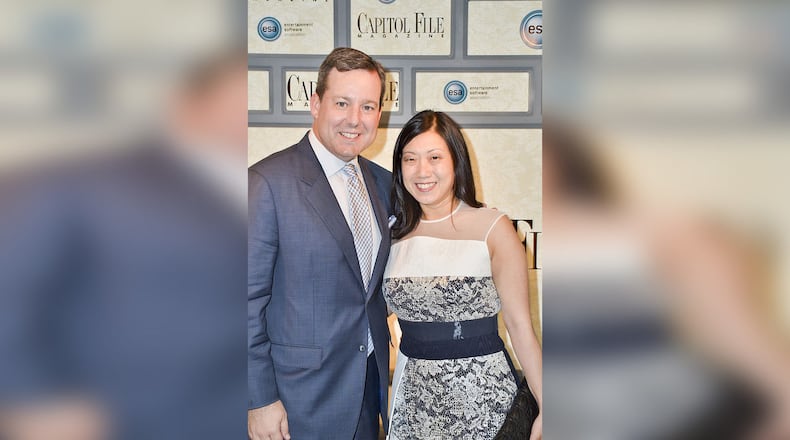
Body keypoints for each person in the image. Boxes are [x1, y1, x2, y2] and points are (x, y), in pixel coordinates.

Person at [248, 47, 392, 440]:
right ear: (315, 103)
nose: (354, 119)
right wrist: (258, 399)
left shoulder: (383, 183)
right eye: (342, 103)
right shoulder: (267, 183)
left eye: (368, 107)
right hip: (297, 403)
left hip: (367, 395)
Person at [383, 110, 543, 440]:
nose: (422, 170)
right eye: (410, 159)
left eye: (435, 157)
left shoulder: (493, 227)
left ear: (456, 162)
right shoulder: (393, 234)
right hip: (413, 397)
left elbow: (519, 327)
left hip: (483, 397)